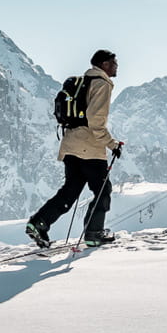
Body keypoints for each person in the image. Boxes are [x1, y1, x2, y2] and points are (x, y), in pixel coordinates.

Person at [27, 49, 124, 248]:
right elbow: (96, 121)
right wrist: (112, 144)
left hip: (70, 145)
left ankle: (39, 223)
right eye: (114, 62)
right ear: (104, 65)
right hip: (89, 148)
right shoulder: (102, 84)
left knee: (70, 191)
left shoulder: (81, 82)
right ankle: (94, 233)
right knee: (102, 191)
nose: (116, 66)